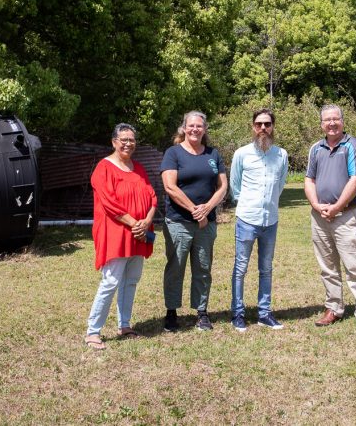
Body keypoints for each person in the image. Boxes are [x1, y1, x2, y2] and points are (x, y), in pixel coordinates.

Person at [84, 123, 157, 350]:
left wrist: (146, 222)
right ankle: (93, 332)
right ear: (114, 142)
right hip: (116, 232)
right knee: (111, 281)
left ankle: (124, 325)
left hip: (139, 233)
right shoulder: (103, 168)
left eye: (132, 140)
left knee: (131, 280)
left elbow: (153, 197)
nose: (128, 143)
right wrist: (134, 223)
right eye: (123, 139)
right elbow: (109, 203)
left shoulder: (139, 168)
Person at [304, 104, 356, 336]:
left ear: (342, 121)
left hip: (345, 216)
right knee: (328, 266)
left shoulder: (352, 145)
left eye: (335, 119)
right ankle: (333, 308)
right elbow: (309, 180)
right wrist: (316, 205)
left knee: (355, 266)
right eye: (327, 120)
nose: (331, 123)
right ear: (321, 124)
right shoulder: (316, 148)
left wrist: (336, 207)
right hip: (320, 217)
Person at [160, 110, 228, 332]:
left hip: (206, 224)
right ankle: (171, 312)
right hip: (179, 222)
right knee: (175, 268)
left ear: (205, 129)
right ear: (184, 128)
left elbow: (222, 186)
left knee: (203, 268)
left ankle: (202, 312)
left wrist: (207, 208)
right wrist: (194, 209)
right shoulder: (173, 153)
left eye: (199, 126)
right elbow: (170, 186)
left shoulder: (213, 154)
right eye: (191, 126)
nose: (195, 129)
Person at [228, 108, 289, 332]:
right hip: (247, 219)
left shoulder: (281, 154)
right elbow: (235, 186)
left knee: (266, 268)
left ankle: (264, 313)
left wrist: (269, 205)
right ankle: (238, 313)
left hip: (270, 220)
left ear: (273, 127)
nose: (263, 128)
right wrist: (245, 204)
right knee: (240, 268)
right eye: (259, 124)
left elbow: (280, 185)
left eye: (267, 124)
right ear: (253, 127)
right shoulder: (241, 154)